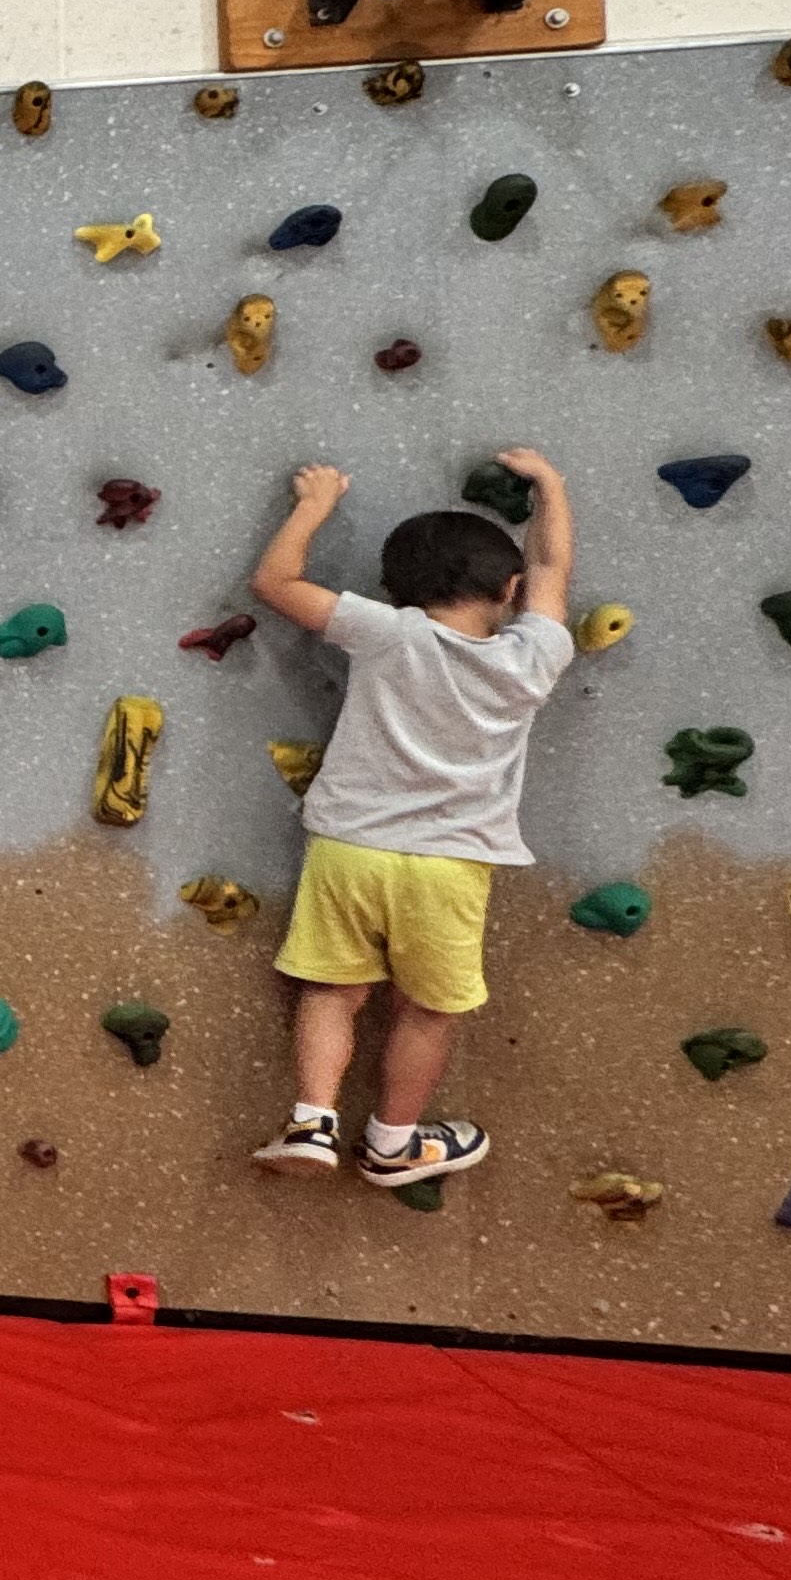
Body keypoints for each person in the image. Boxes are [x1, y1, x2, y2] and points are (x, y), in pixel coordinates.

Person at [244, 453, 576, 1191]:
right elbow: (552, 567)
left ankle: (313, 1120)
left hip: (350, 851)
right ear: (509, 590)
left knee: (332, 991)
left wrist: (315, 503)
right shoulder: (532, 656)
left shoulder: (387, 632)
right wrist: (549, 486)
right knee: (427, 1011)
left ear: (396, 590)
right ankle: (392, 1145)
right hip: (449, 864)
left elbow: (274, 584)